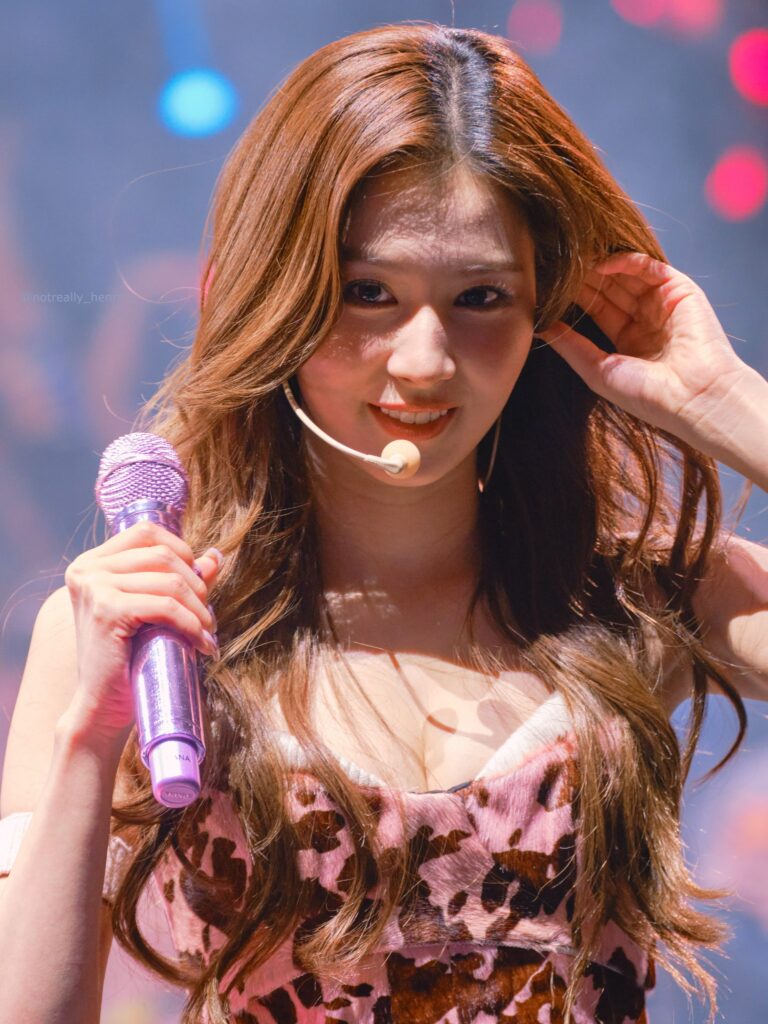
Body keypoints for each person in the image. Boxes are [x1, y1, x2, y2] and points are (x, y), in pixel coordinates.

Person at [1, 21, 767, 1024]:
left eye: (480, 296)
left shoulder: (637, 597)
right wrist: (92, 737)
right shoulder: (147, 635)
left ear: (545, 313)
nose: (425, 360)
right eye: (369, 293)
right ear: (278, 292)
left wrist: (726, 401)